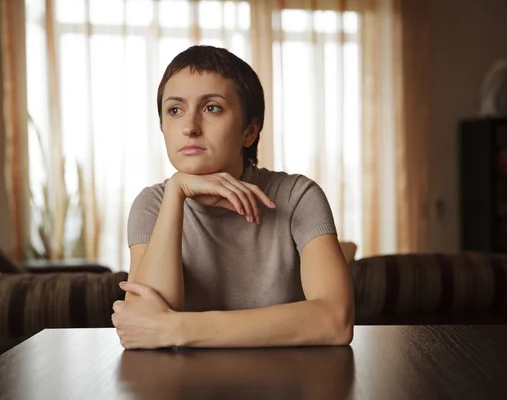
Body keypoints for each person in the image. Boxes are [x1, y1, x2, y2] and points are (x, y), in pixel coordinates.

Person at [111, 45, 354, 349]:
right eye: (175, 110)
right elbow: (143, 329)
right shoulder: (153, 204)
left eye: (212, 107)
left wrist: (177, 328)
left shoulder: (297, 197)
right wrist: (176, 191)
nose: (189, 127)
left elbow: (336, 321)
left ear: (249, 131)